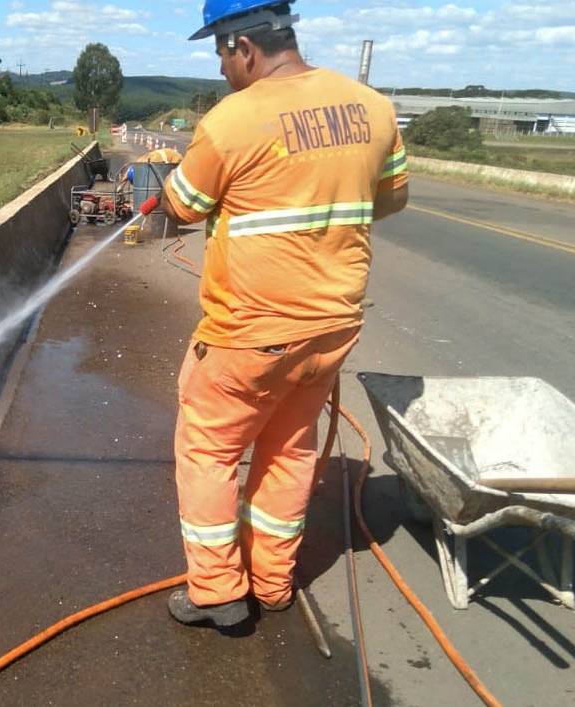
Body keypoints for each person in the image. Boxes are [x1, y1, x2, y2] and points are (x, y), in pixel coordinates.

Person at [161, 0, 409, 628]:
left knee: (209, 451)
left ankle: (217, 592)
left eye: (221, 52)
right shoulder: (372, 108)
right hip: (331, 330)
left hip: (248, 334)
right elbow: (391, 200)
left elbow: (183, 207)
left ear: (244, 46)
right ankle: (272, 583)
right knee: (290, 449)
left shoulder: (231, 121)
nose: (221, 67)